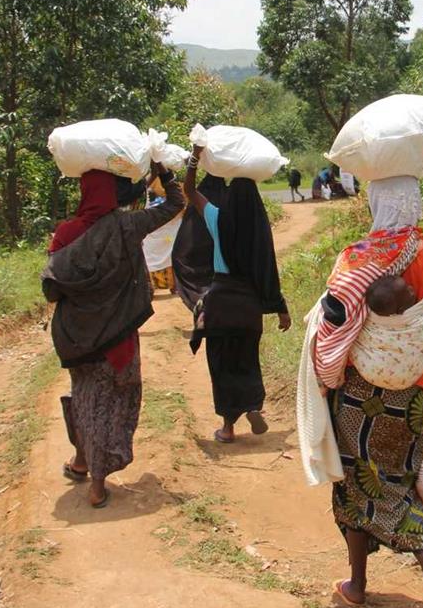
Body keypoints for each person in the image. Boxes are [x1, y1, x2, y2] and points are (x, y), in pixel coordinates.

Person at [298, 115, 423, 608]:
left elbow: (334, 330)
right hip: (411, 397)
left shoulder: (356, 260)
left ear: (376, 204)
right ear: (414, 205)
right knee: (401, 482)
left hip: (360, 397)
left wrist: (325, 376)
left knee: (357, 486)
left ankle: (357, 584)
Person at [44, 166, 184, 508]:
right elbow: (175, 204)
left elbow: (52, 289)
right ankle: (97, 482)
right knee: (112, 403)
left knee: (85, 397)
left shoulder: (65, 232)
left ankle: (82, 460)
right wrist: (163, 174)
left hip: (77, 337)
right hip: (118, 337)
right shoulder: (128, 225)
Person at [184, 149, 291, 443]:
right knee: (247, 360)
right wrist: (281, 308)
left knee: (221, 364)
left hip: (221, 303)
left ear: (229, 198)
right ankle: (252, 405)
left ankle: (228, 427)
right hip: (248, 307)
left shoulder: (217, 217)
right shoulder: (260, 231)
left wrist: (194, 158)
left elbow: (189, 191)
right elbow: (268, 270)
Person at [171, 172, 227, 312]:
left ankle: (201, 302)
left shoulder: (202, 204)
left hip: (197, 248)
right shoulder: (225, 204)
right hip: (222, 268)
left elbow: (181, 252)